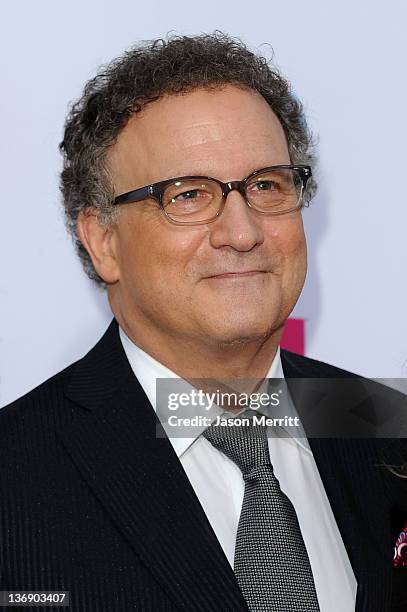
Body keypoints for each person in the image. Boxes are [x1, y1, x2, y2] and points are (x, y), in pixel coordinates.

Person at [0, 32, 406, 612]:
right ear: (102, 241)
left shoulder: (386, 423)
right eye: (188, 195)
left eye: (267, 185)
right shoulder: (15, 476)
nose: (242, 232)